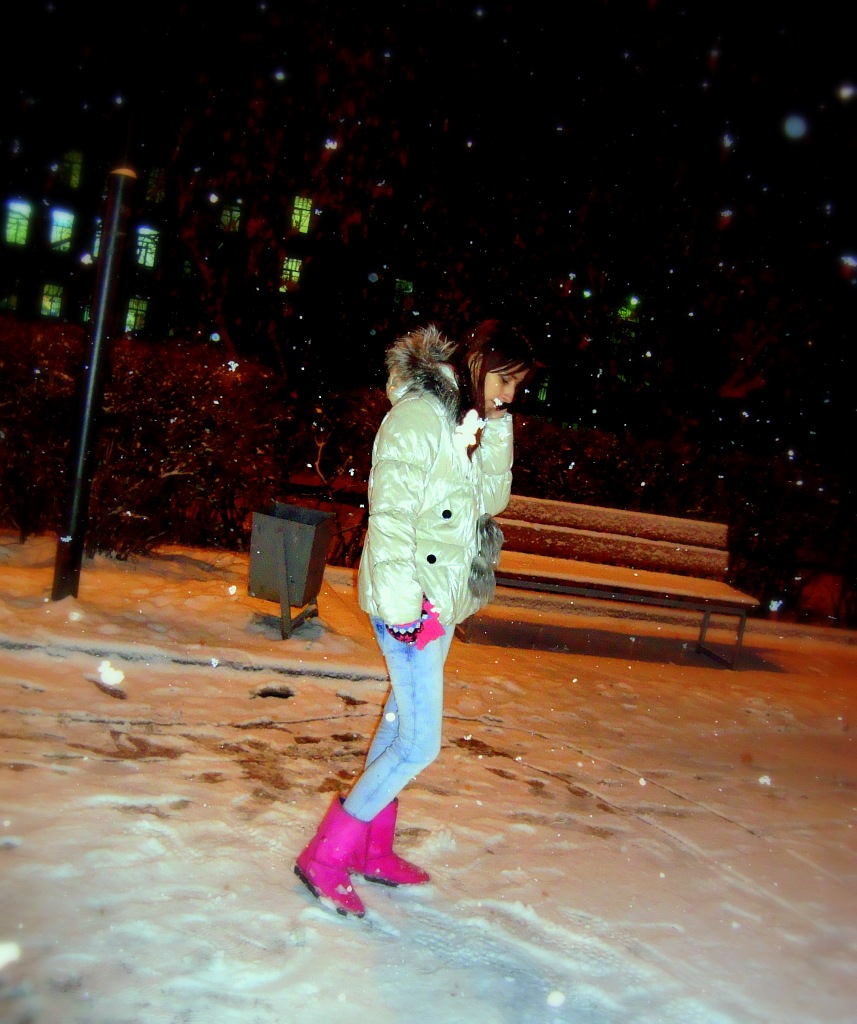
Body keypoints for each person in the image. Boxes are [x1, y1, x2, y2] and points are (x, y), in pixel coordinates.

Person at [294, 319, 536, 917]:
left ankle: (371, 848)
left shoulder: (467, 418)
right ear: (477, 366)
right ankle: (327, 855)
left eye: (517, 385)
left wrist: (497, 427)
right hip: (412, 604)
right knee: (418, 744)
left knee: (400, 724)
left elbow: (491, 501)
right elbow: (392, 519)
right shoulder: (419, 418)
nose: (509, 394)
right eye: (504, 380)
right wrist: (405, 612)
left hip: (440, 599)